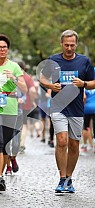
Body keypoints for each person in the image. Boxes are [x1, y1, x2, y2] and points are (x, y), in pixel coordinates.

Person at [40, 29, 94, 193]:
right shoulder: (53, 60)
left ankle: (69, 179)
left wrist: (83, 84)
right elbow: (42, 77)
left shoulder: (84, 61)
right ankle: (62, 178)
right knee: (62, 141)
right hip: (58, 106)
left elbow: (93, 82)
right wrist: (49, 86)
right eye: (66, 45)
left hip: (77, 109)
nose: (69, 48)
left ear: (76, 44)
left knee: (74, 144)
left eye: (72, 45)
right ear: (61, 44)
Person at [0, 34, 27, 192]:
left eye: (5, 47)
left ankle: (0, 174)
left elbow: (24, 88)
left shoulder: (14, 66)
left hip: (10, 107)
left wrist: (14, 78)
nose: (3, 49)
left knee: (6, 145)